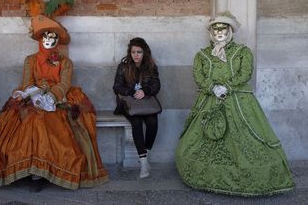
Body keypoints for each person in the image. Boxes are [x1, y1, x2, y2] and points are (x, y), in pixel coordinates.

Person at [175, 11, 295, 196]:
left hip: (239, 100)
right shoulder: (202, 55)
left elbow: (245, 73)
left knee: (247, 137)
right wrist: (212, 87)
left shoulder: (242, 52)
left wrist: (228, 87)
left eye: (223, 29)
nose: (219, 33)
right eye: (215, 30)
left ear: (230, 31)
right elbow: (198, 75)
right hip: (209, 99)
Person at [0, 15, 109, 191]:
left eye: (53, 37)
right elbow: (27, 81)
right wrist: (33, 94)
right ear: (39, 38)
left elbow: (65, 83)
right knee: (29, 120)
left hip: (59, 98)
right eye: (45, 36)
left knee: (52, 122)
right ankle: (32, 169)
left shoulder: (65, 62)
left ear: (58, 41)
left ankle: (48, 170)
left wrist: (51, 97)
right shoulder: (30, 60)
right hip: (33, 96)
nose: (49, 40)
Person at [113, 37, 161, 178]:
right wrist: (131, 92)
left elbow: (156, 86)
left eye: (139, 52)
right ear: (130, 52)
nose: (136, 55)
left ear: (144, 52)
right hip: (128, 103)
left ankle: (145, 153)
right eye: (133, 52)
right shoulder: (123, 67)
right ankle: (144, 162)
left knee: (153, 122)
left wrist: (145, 91)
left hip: (145, 102)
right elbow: (116, 86)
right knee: (136, 122)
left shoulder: (151, 67)